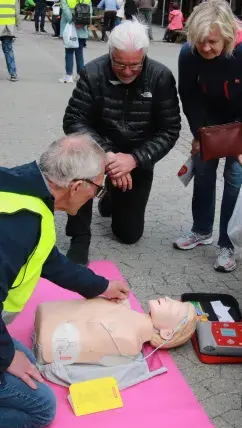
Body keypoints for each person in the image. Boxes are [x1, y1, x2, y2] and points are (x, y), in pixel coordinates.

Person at [0, 134, 130, 428]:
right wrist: (6, 356)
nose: (94, 197)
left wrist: (100, 286)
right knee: (42, 407)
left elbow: (48, 261)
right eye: (97, 189)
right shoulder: (18, 223)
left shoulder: (22, 188)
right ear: (76, 186)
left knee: (30, 361)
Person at [63, 19, 180, 266]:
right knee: (77, 160)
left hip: (137, 157)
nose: (127, 71)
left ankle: (109, 196)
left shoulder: (161, 77)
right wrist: (107, 154)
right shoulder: (92, 72)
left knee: (128, 235)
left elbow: (169, 130)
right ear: (110, 53)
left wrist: (135, 159)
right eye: (119, 64)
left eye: (135, 65)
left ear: (145, 56)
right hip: (96, 152)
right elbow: (73, 120)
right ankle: (79, 237)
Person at [175, 0, 242, 272]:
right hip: (209, 116)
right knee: (203, 169)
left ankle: (228, 243)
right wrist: (198, 134)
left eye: (213, 42)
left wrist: (241, 143)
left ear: (227, 36)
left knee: (234, 176)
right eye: (200, 41)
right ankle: (201, 230)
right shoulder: (188, 53)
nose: (206, 48)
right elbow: (189, 97)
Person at [58, 0, 91, 83]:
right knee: (79, 52)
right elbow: (90, 11)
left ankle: (69, 75)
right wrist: (82, 22)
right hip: (82, 28)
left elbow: (65, 9)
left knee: (69, 52)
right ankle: (80, 76)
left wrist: (73, 20)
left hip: (70, 28)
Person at [0, 0, 19, 82]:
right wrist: (17, 26)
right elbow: (17, 13)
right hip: (8, 28)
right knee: (8, 51)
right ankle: (13, 74)